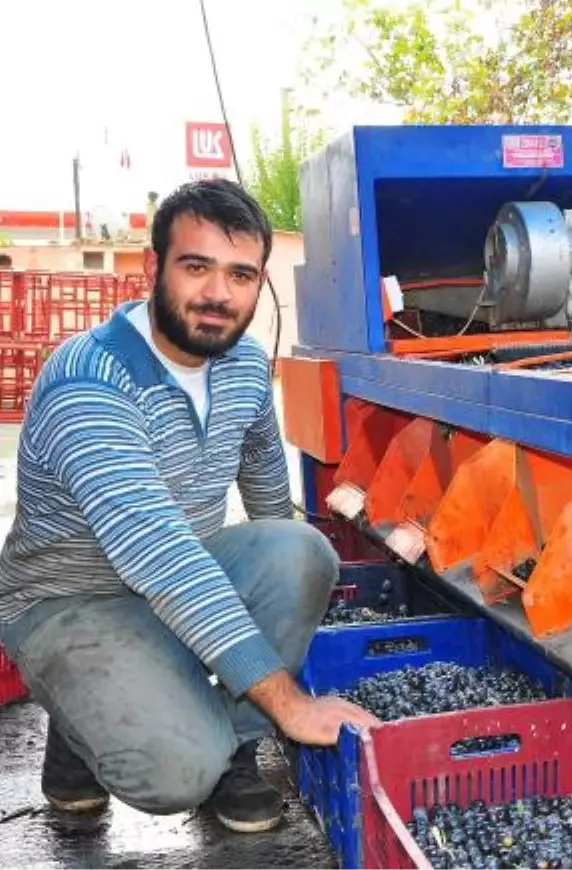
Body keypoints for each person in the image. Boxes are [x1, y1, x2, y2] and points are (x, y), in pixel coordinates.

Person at [0, 179, 380, 833]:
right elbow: (160, 556)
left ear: (260, 283)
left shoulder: (242, 365)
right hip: (69, 600)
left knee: (300, 552)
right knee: (177, 773)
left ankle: (232, 743)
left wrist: (281, 596)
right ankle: (81, 721)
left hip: (173, 577)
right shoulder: (89, 380)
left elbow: (262, 468)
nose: (216, 295)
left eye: (241, 275)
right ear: (154, 268)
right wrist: (287, 704)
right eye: (196, 266)